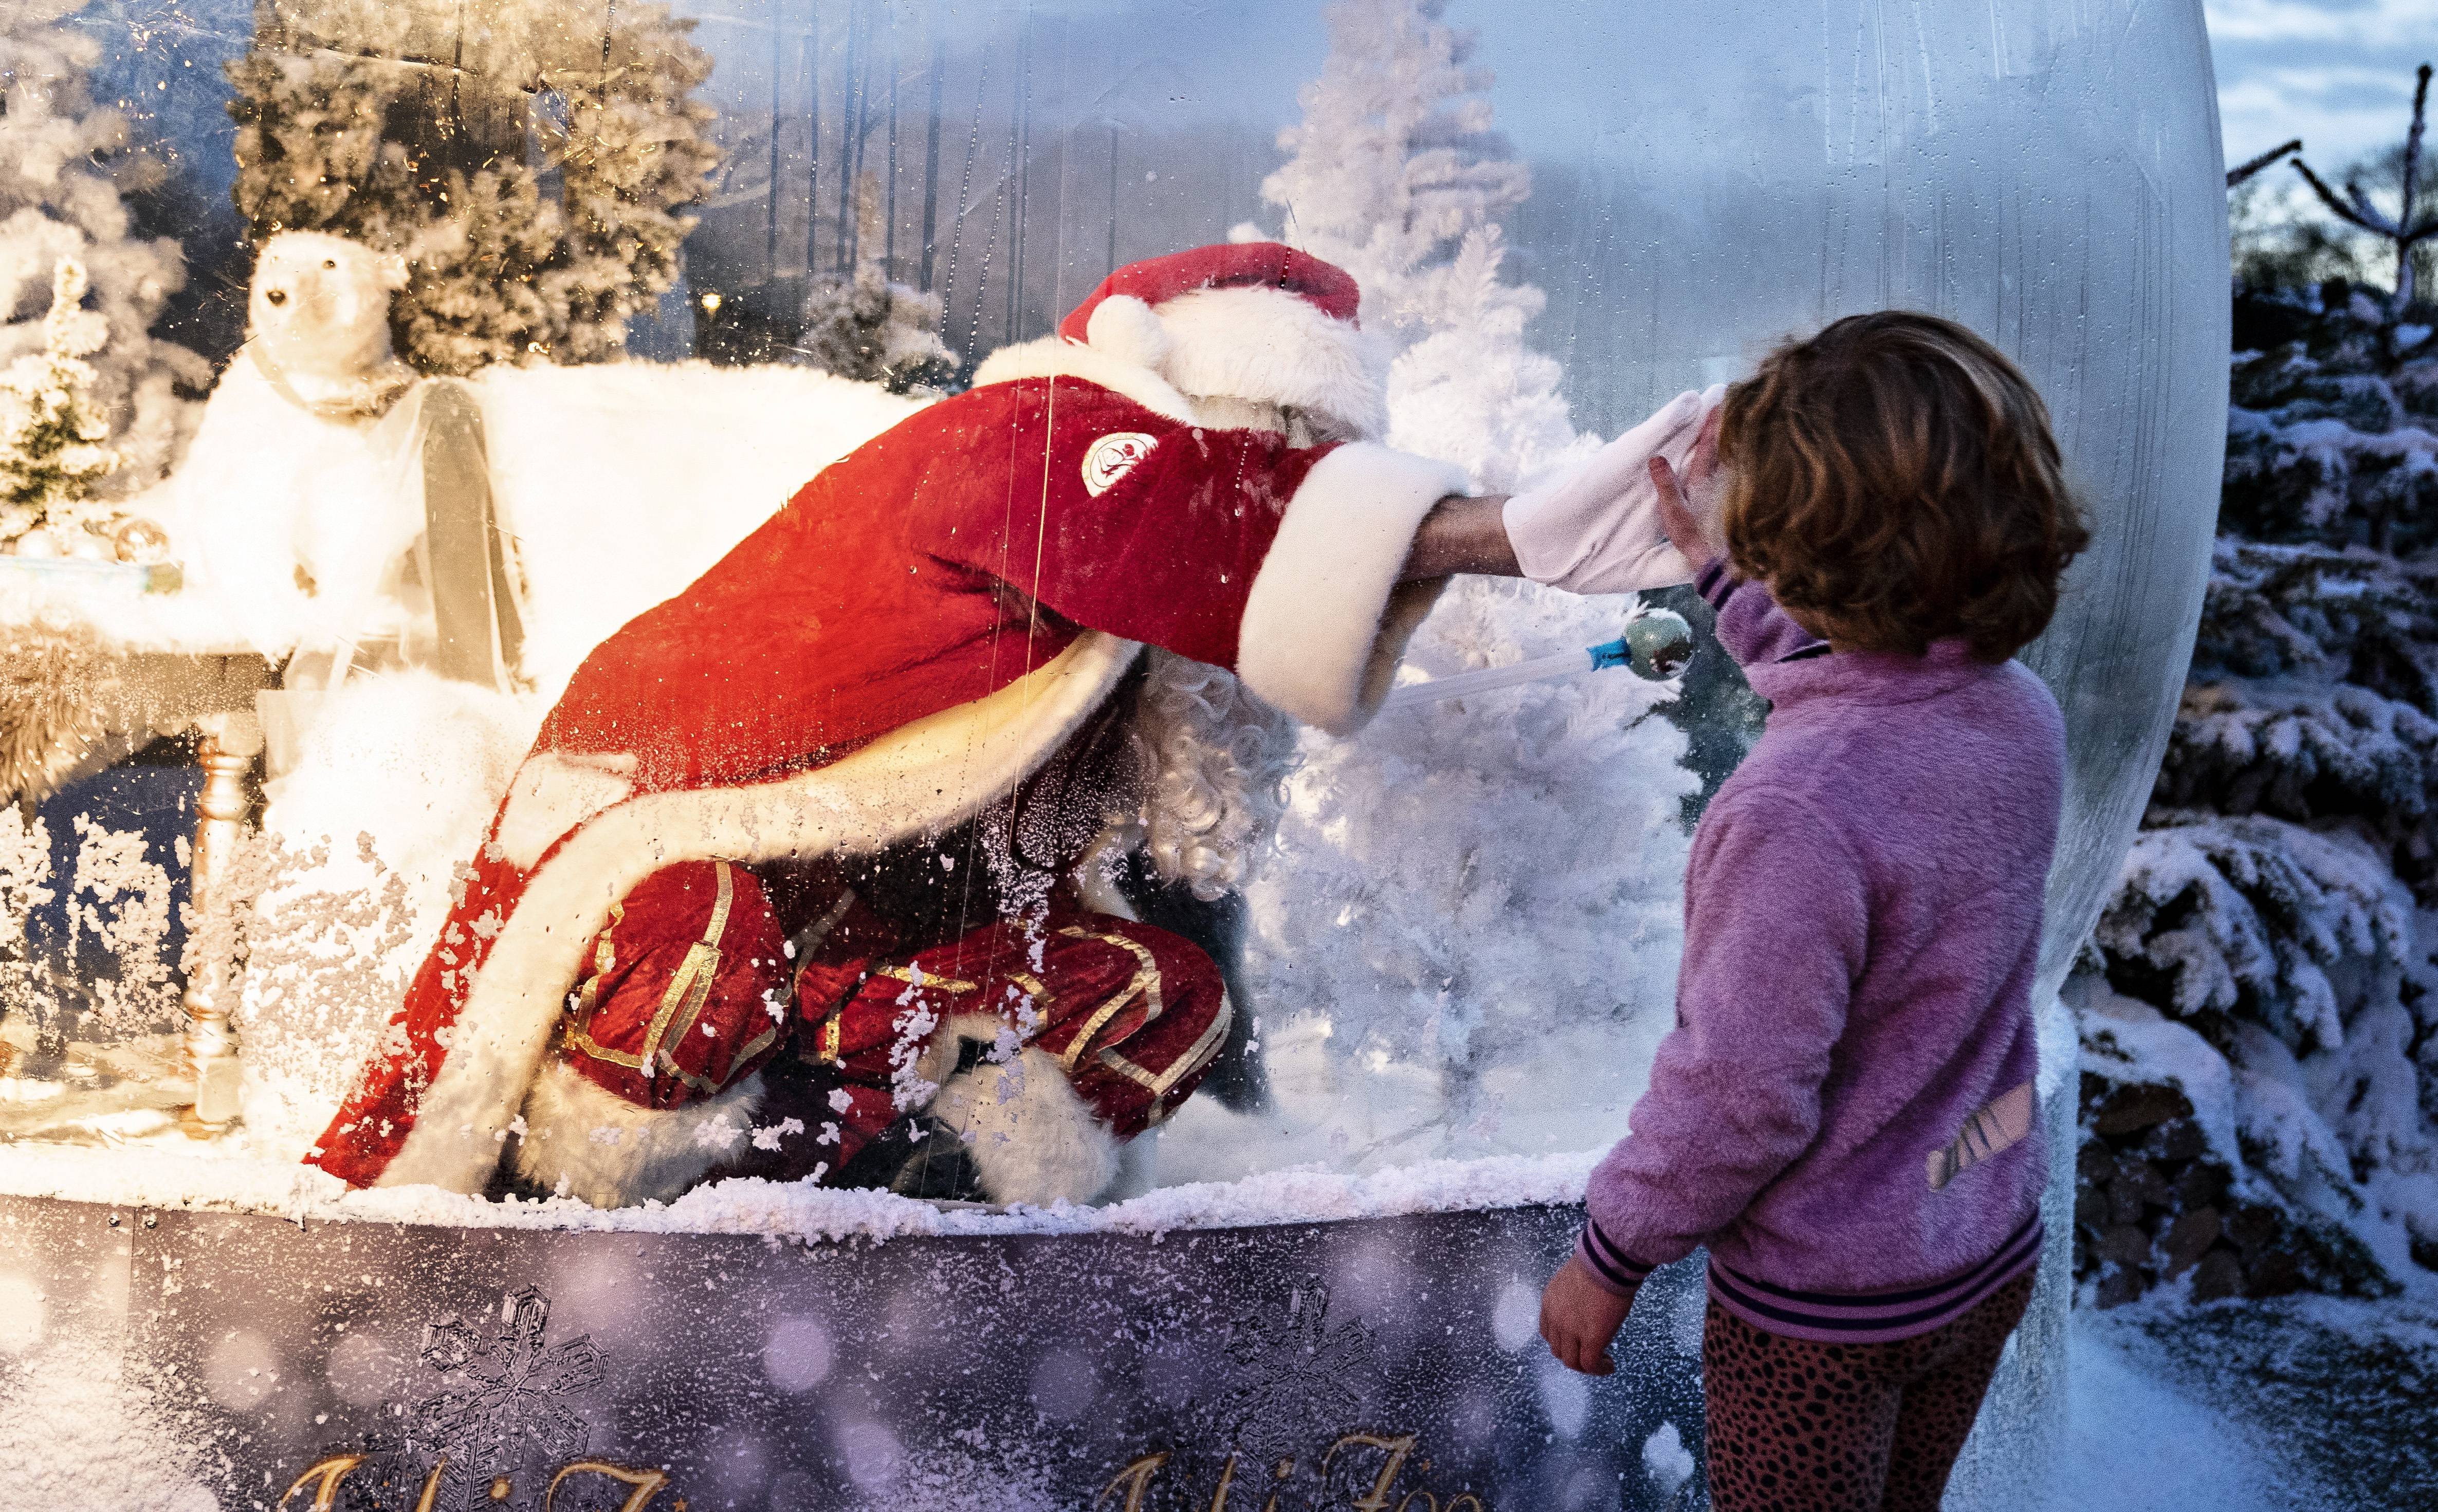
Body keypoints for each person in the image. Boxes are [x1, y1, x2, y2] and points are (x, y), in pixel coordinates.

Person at [304, 241, 1714, 1210]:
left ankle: (935, 1212)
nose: (1282, 489)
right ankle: (571, 1216)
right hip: (669, 864)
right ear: (1199, 416)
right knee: (695, 943)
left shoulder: (1137, 629)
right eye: (1274, 452)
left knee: (1163, 991)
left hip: (864, 954)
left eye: (1312, 464)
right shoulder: (1028, 445)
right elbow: (1180, 522)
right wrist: (1502, 534)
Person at [1536, 311, 2091, 1512]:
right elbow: (1872, 673)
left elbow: (1738, 1095)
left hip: (1828, 1320)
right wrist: (1725, 576)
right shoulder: (2013, 715)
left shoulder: (1793, 813)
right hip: (1983, 1235)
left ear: (1799, 543)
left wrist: (1609, 1254)